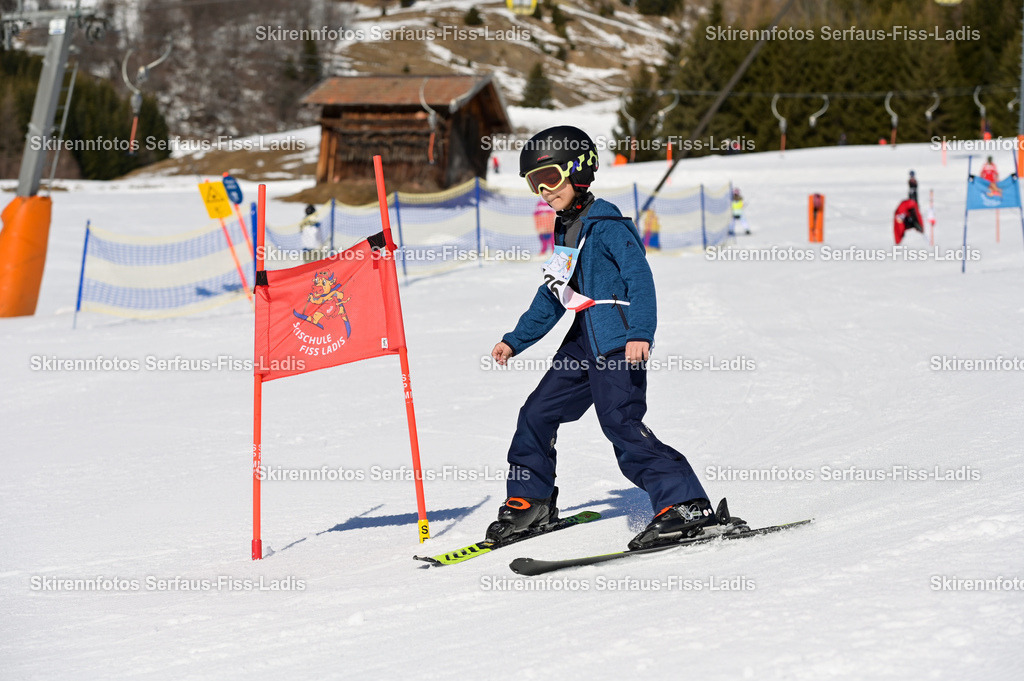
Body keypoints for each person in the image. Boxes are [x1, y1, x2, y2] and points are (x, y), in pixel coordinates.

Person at [486, 126, 733, 550]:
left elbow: (641, 281)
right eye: (534, 183)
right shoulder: (567, 233)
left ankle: (685, 504)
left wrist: (641, 332)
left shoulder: (608, 226)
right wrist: (515, 340)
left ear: (579, 171)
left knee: (620, 421)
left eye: (551, 178)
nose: (544, 191)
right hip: (583, 342)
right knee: (535, 414)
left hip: (617, 342)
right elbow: (551, 297)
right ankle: (532, 501)